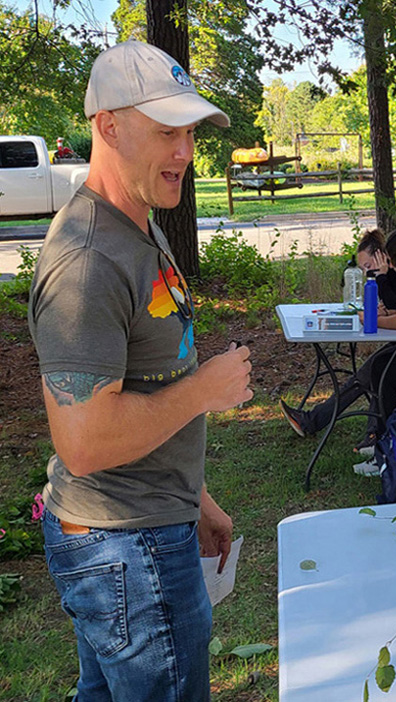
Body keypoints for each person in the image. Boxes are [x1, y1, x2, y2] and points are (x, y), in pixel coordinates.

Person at [28, 41, 252, 701]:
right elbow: (84, 439)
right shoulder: (88, 260)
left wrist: (196, 500)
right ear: (109, 127)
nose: (184, 151)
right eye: (165, 132)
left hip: (144, 530)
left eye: (188, 132)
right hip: (127, 550)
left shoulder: (137, 224)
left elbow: (141, 383)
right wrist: (204, 392)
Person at [281, 227, 396, 453]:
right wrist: (386, 315)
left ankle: (380, 441)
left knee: (381, 369)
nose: (390, 265)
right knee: (378, 364)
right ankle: (357, 432)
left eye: (390, 259)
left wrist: (369, 320)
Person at [356, 228, 396, 313]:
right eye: (362, 269)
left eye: (368, 266)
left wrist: (381, 276)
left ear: (380, 257)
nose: (366, 273)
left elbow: (393, 305)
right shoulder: (380, 279)